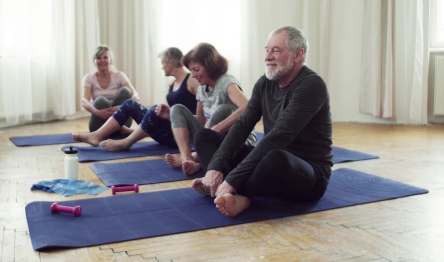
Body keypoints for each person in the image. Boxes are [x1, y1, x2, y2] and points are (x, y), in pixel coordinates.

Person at [191, 26, 333, 217]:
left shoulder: (311, 85)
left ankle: (237, 193)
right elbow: (243, 125)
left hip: (306, 174)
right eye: (267, 50)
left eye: (276, 50)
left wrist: (232, 179)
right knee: (205, 136)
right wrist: (215, 166)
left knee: (276, 157)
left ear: (298, 54)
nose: (267, 57)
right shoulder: (265, 83)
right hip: (268, 160)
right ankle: (225, 187)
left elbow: (278, 137)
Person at [72, 47, 199, 150]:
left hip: (182, 139)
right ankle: (96, 135)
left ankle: (125, 142)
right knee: (130, 104)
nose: (161, 67)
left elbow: (201, 118)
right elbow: (174, 113)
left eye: (162, 63)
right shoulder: (172, 83)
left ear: (170, 63)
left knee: (153, 108)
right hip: (171, 131)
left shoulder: (192, 81)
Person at [166, 43, 257, 176]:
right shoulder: (202, 87)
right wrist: (170, 116)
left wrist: (218, 128)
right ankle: (188, 160)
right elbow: (200, 120)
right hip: (211, 140)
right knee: (176, 109)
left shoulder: (226, 82)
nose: (193, 75)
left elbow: (249, 107)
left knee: (223, 110)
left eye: (196, 70)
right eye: (191, 70)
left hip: (239, 142)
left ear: (210, 66)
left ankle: (196, 158)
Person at [81, 45, 140, 133]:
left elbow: (135, 95)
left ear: (110, 60)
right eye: (98, 58)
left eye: (105, 57)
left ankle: (116, 128)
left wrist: (122, 107)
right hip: (99, 123)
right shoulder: (88, 78)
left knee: (125, 91)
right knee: (100, 101)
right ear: (94, 61)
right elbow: (84, 101)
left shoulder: (119, 75)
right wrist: (98, 112)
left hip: (122, 120)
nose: (102, 60)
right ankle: (117, 130)